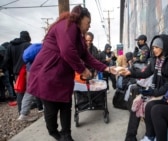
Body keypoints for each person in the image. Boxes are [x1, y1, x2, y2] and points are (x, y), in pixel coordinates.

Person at [26, 5, 117, 141]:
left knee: (66, 105)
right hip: (48, 74)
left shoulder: (79, 36)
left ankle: (67, 135)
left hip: (63, 77)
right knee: (51, 109)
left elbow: (88, 57)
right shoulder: (67, 25)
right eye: (88, 22)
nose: (89, 26)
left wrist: (107, 68)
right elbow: (67, 51)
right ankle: (54, 132)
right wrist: (83, 70)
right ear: (80, 17)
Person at [120, 34, 168, 141]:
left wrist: (154, 92)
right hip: (154, 91)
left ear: (165, 47)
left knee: (149, 105)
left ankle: (150, 135)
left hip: (166, 94)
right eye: (153, 47)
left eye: (157, 47)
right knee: (136, 103)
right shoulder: (154, 60)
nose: (154, 50)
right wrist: (129, 72)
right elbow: (145, 73)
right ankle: (130, 137)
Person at [3, 31, 31, 113]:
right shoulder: (28, 45)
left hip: (16, 72)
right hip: (27, 71)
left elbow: (6, 60)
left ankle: (20, 111)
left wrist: (12, 70)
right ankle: (27, 112)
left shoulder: (10, 46)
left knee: (20, 91)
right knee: (31, 90)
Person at [17, 43, 43, 122]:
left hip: (29, 71)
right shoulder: (43, 49)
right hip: (38, 71)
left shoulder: (34, 51)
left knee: (29, 91)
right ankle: (49, 110)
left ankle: (23, 114)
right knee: (45, 90)